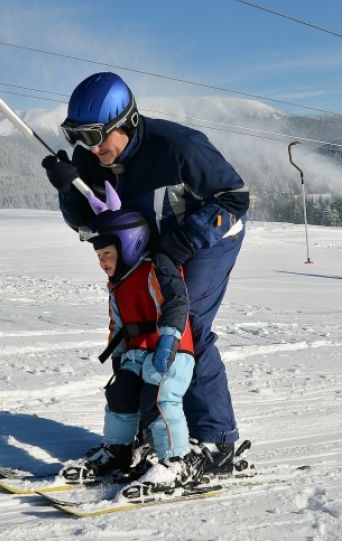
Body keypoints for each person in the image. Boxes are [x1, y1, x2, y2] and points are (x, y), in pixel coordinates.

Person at [42, 71, 250, 476]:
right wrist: (69, 191)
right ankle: (142, 434)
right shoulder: (91, 158)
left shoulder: (178, 147)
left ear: (128, 121)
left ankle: (216, 441)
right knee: (138, 328)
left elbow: (235, 199)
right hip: (148, 247)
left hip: (207, 240)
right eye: (79, 137)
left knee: (185, 324)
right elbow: (90, 226)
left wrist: (186, 240)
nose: (91, 147)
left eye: (97, 135)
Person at [64, 181, 204, 491]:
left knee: (158, 398)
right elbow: (117, 322)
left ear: (128, 244)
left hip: (171, 351)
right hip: (137, 352)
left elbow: (176, 303)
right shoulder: (118, 283)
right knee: (120, 394)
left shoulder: (155, 267)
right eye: (98, 255)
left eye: (106, 253)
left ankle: (176, 463)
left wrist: (167, 342)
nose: (102, 261)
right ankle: (118, 451)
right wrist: (118, 358)